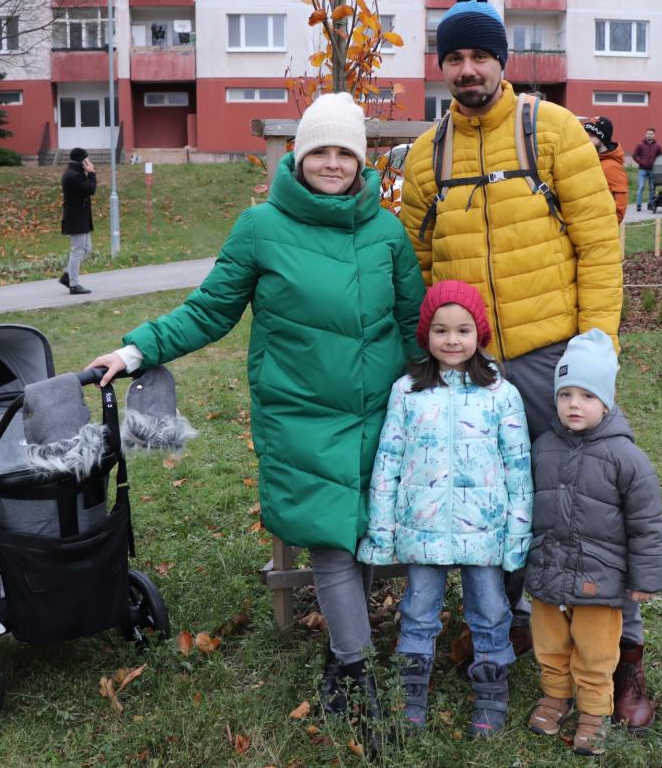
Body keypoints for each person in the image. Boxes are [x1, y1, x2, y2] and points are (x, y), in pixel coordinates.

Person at [87, 92, 425, 720]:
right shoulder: (261, 227)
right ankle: (358, 675)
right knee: (331, 540)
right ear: (298, 157)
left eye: (344, 152)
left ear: (360, 160)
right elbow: (209, 309)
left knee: (363, 532)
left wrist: (435, 394)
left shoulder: (387, 233)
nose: (331, 163)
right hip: (300, 414)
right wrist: (135, 351)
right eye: (319, 151)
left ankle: (340, 659)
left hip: (378, 413)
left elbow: (412, 324)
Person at [398, 0, 623, 671]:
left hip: (556, 357)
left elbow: (598, 244)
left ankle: (625, 651)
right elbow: (415, 267)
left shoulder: (551, 131)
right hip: (473, 368)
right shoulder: (425, 156)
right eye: (455, 58)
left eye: (480, 56)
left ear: (503, 60)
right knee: (495, 502)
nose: (468, 69)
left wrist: (596, 346)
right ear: (442, 66)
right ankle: (520, 622)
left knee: (590, 501)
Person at [357, 280, 533, 738]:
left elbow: (518, 469)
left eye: (462, 330)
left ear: (479, 334)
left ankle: (491, 691)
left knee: (490, 611)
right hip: (423, 529)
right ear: (426, 334)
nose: (452, 340)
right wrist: (382, 530)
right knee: (418, 610)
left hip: (484, 532)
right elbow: (388, 462)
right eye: (441, 330)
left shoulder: (501, 394)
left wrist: (516, 534)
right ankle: (411, 693)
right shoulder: (407, 391)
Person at [523, 329, 662, 754]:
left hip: (599, 579)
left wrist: (644, 578)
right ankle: (555, 696)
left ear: (607, 400)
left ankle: (594, 710)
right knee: (550, 643)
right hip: (549, 570)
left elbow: (646, 523)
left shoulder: (626, 457)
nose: (574, 404)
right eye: (565, 394)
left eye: (587, 395)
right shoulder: (542, 448)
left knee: (595, 650)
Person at [59, 147, 96, 295]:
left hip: (81, 217)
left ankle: (67, 276)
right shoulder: (73, 175)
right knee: (77, 252)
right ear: (81, 161)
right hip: (76, 218)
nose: (89, 161)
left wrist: (88, 173)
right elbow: (90, 189)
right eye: (87, 159)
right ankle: (73, 285)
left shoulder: (76, 173)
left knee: (86, 250)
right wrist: (91, 173)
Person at [583, 117, 629, 223]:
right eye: (585, 134)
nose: (587, 138)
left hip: (599, 229)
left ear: (602, 138)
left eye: (591, 135)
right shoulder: (590, 161)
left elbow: (620, 208)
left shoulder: (612, 167)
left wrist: (604, 227)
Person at [632, 128, 662, 212]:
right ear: (646, 134)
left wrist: (656, 164)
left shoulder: (657, 146)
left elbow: (660, 157)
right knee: (641, 187)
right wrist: (641, 162)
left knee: (652, 188)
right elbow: (634, 155)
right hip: (642, 169)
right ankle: (638, 205)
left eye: (651, 134)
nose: (649, 135)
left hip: (652, 170)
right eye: (648, 134)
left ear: (654, 135)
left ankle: (650, 204)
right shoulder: (640, 145)